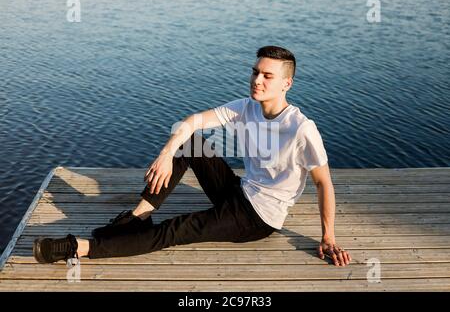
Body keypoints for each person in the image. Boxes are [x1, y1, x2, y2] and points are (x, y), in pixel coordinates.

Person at [33, 46, 351, 267]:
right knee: (190, 142)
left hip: (258, 217)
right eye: (255, 72)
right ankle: (138, 217)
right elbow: (192, 123)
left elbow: (324, 184)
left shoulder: (301, 129)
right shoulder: (247, 106)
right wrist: (166, 154)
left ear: (286, 83)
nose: (257, 80)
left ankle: (76, 248)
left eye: (267, 76)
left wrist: (328, 237)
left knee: (175, 230)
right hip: (241, 191)